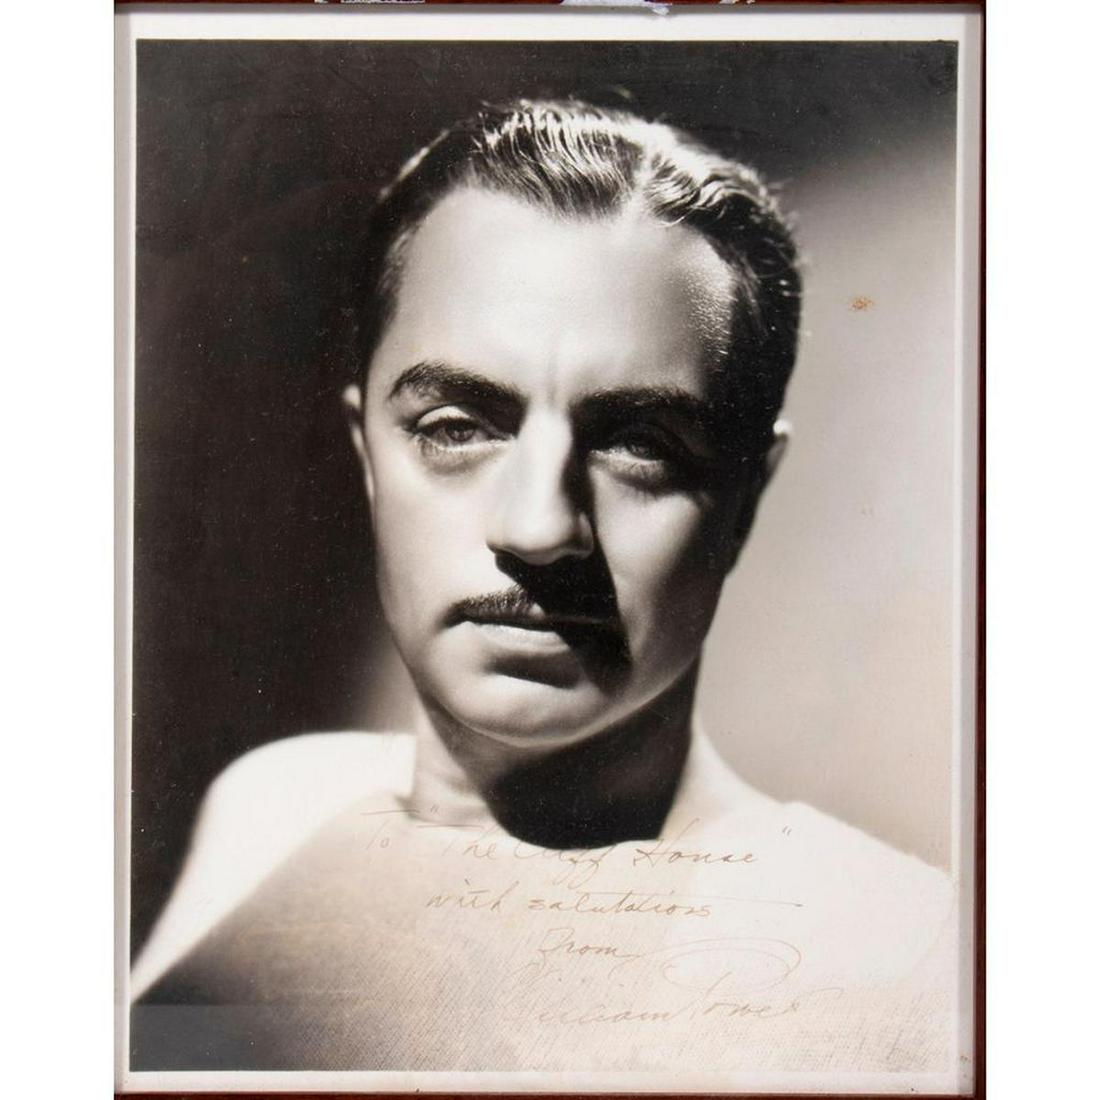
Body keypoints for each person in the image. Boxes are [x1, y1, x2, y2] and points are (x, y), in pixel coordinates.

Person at [130, 100, 959, 1078]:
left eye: (638, 444)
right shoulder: (273, 805)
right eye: (455, 427)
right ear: (366, 456)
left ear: (746, 497)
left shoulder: (910, 957)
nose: (537, 527)